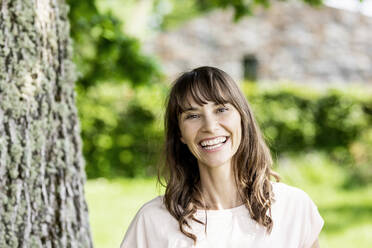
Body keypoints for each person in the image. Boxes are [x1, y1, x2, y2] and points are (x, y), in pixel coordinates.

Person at [120, 66, 324, 248]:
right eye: (192, 115)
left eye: (221, 109)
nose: (210, 126)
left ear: (242, 118)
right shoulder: (153, 221)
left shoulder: (294, 207)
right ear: (180, 134)